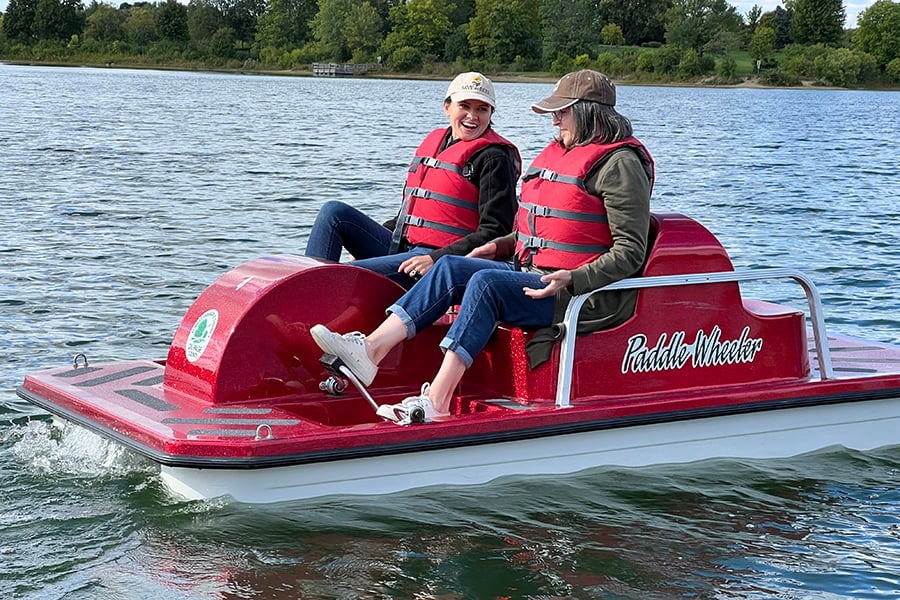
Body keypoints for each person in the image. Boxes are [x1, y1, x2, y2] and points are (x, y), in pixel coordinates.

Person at [311, 70, 655, 423]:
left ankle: (439, 401)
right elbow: (536, 229)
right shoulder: (565, 152)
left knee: (486, 284)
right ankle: (369, 351)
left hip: (579, 294)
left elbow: (631, 251)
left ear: (588, 112)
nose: (555, 120)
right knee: (450, 267)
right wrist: (500, 246)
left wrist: (574, 278)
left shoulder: (620, 164)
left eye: (561, 112)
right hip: (535, 273)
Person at [304, 72, 521, 289]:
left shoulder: (494, 158)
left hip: (440, 259)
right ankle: (302, 288)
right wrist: (365, 244)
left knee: (345, 274)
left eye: (482, 109)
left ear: (491, 113)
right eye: (464, 106)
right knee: (334, 213)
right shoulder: (436, 143)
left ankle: (313, 298)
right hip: (402, 246)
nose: (472, 116)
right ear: (447, 107)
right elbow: (410, 215)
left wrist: (436, 259)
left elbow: (496, 232)